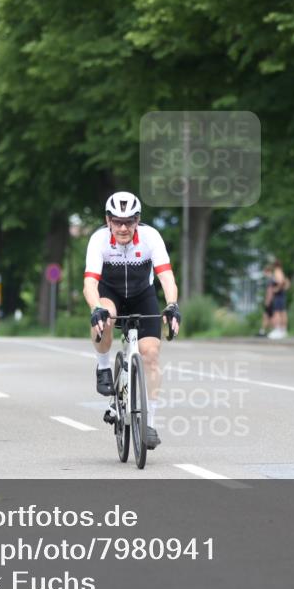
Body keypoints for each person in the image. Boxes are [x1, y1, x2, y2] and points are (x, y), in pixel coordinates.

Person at [84, 191, 181, 450]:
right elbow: (90, 283)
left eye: (129, 221)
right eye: (117, 221)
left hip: (142, 295)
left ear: (138, 220)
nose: (123, 228)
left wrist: (172, 304)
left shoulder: (151, 237)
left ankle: (149, 424)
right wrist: (95, 308)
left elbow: (166, 276)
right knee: (105, 317)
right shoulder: (98, 240)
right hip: (110, 293)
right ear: (108, 220)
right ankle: (103, 366)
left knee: (151, 354)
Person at [268, 260, 289, 339]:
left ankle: (278, 330)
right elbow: (286, 282)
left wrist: (277, 289)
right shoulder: (281, 272)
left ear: (274, 265)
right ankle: (283, 330)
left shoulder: (277, 272)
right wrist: (283, 288)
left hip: (278, 295)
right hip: (282, 295)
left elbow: (281, 282)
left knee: (277, 312)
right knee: (283, 312)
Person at [258, 263, 275, 337]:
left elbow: (270, 291)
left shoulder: (270, 279)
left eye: (264, 272)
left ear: (267, 271)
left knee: (269, 317)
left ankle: (270, 330)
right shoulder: (272, 278)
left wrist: (268, 301)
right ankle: (263, 331)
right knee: (267, 316)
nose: (263, 273)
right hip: (271, 301)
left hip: (270, 301)